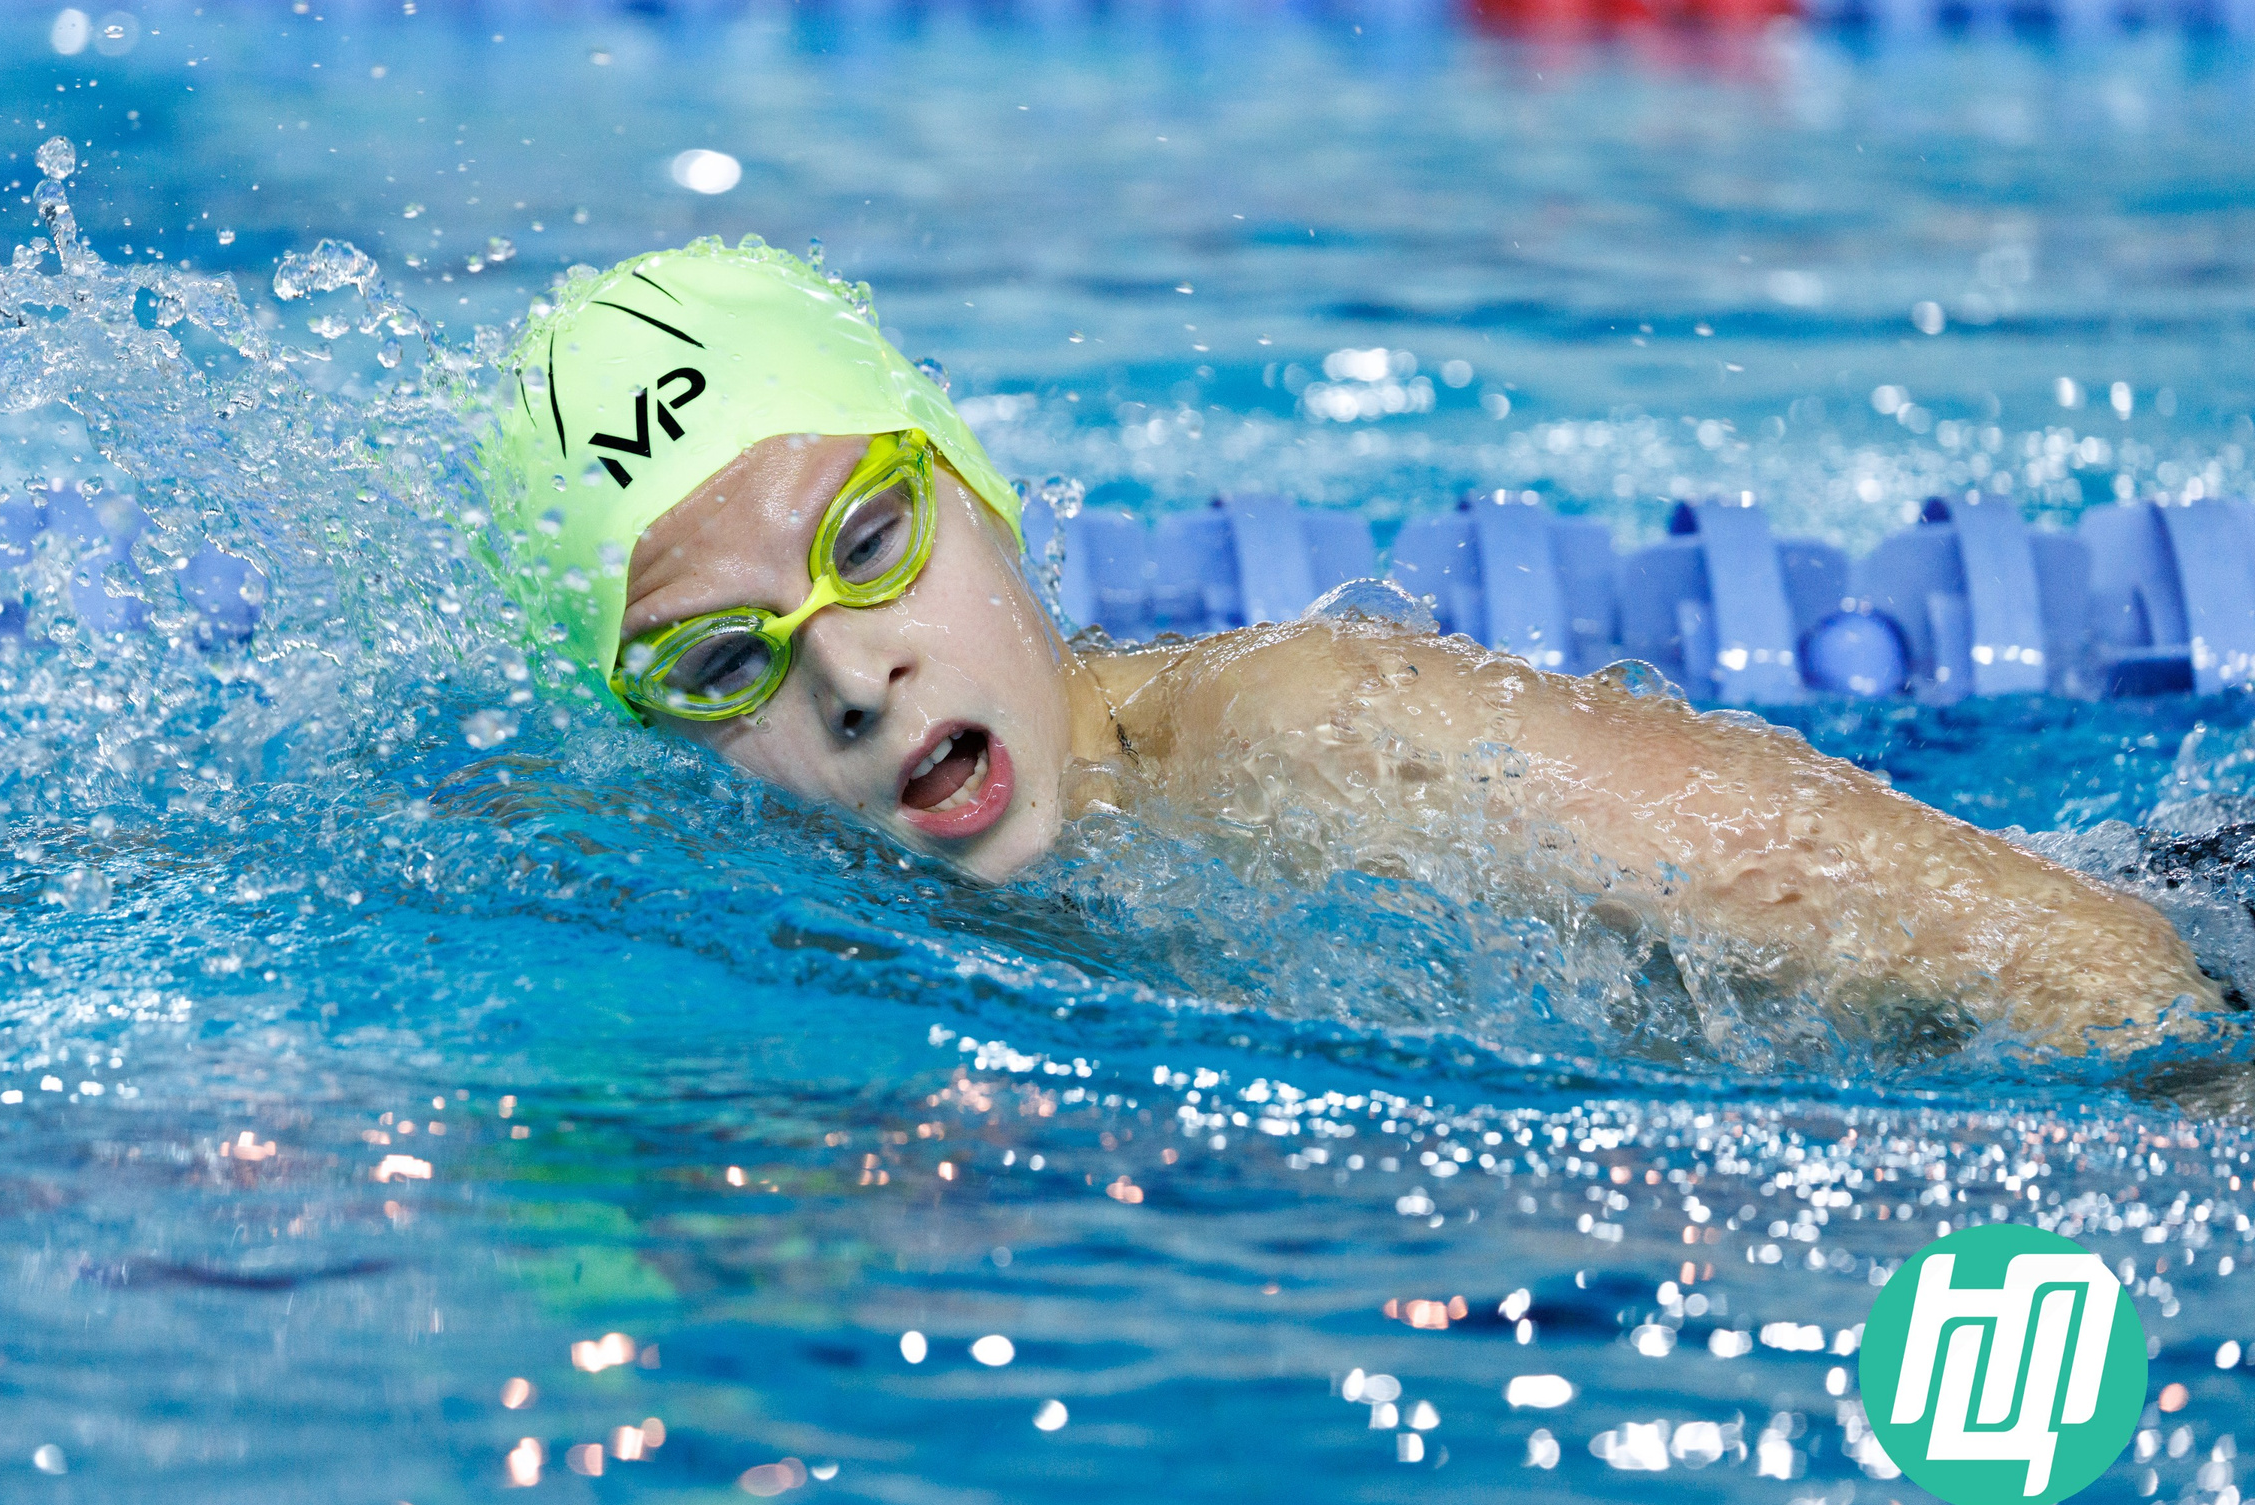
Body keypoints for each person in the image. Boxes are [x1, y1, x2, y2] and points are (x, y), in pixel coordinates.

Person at [479, 238, 2224, 1061]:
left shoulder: (1306, 738)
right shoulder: (743, 871)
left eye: (874, 545)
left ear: (984, 496)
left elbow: (2093, 966)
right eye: (723, 667)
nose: (853, 678)